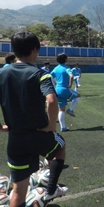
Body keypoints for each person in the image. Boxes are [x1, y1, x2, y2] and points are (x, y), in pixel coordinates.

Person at [0, 32, 68, 206]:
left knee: (18, 190)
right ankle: (51, 189)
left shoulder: (2, 73)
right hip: (38, 135)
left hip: (15, 138)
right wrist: (52, 126)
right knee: (60, 147)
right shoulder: (40, 74)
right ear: (34, 49)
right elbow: (51, 100)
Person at [51, 53, 81, 128]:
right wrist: (70, 85)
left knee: (61, 109)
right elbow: (71, 76)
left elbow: (50, 77)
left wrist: (54, 85)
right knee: (78, 96)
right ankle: (70, 110)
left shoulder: (55, 68)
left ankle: (63, 127)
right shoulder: (66, 68)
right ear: (65, 59)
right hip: (64, 89)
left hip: (57, 90)